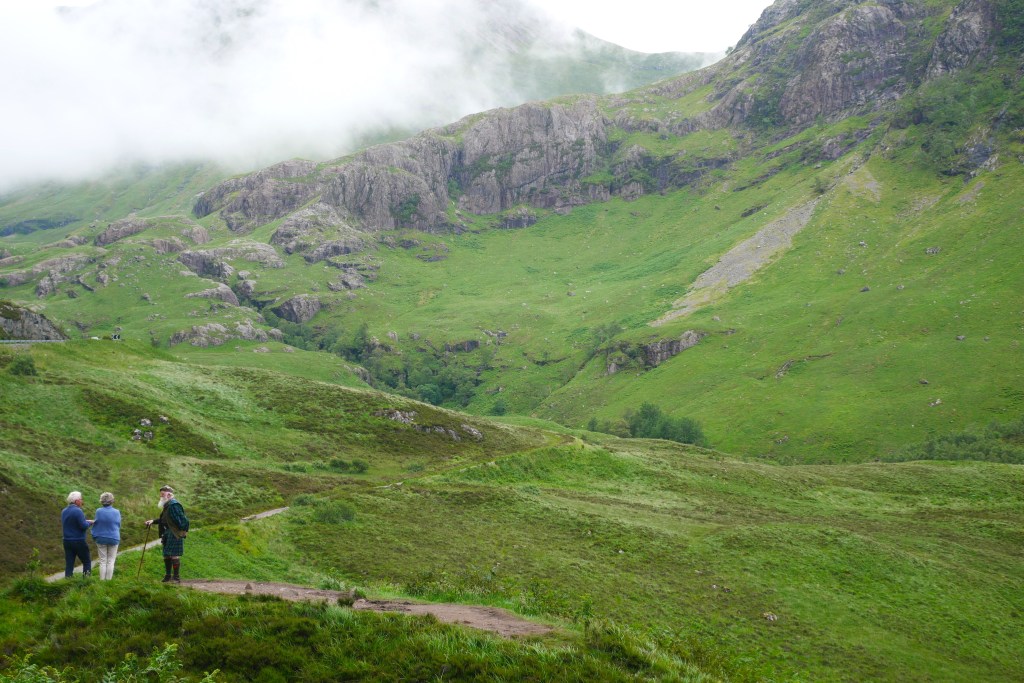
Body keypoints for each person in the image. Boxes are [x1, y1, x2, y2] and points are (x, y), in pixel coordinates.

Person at [145, 485, 189, 583]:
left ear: (169, 494)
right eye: (160, 494)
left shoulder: (174, 505)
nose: (161, 497)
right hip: (167, 532)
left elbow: (183, 520)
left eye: (163, 494)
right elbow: (164, 520)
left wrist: (182, 531)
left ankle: (176, 578)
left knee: (174, 555)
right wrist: (153, 521)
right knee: (166, 555)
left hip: (173, 533)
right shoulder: (168, 505)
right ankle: (168, 576)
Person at [61, 491, 93, 578]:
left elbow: (72, 523)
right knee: (86, 561)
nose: (82, 501)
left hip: (66, 541)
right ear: (76, 501)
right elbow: (83, 526)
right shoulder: (78, 511)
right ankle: (86, 580)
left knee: (69, 563)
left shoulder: (64, 511)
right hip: (78, 540)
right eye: (81, 499)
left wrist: (85, 521)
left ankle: (68, 581)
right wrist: (90, 523)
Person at [91, 492, 121, 580]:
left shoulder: (98, 511)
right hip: (114, 537)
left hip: (101, 538)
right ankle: (108, 581)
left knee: (102, 561)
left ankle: (102, 581)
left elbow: (97, 523)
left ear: (102, 501)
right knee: (111, 561)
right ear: (112, 501)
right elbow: (118, 525)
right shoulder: (117, 512)